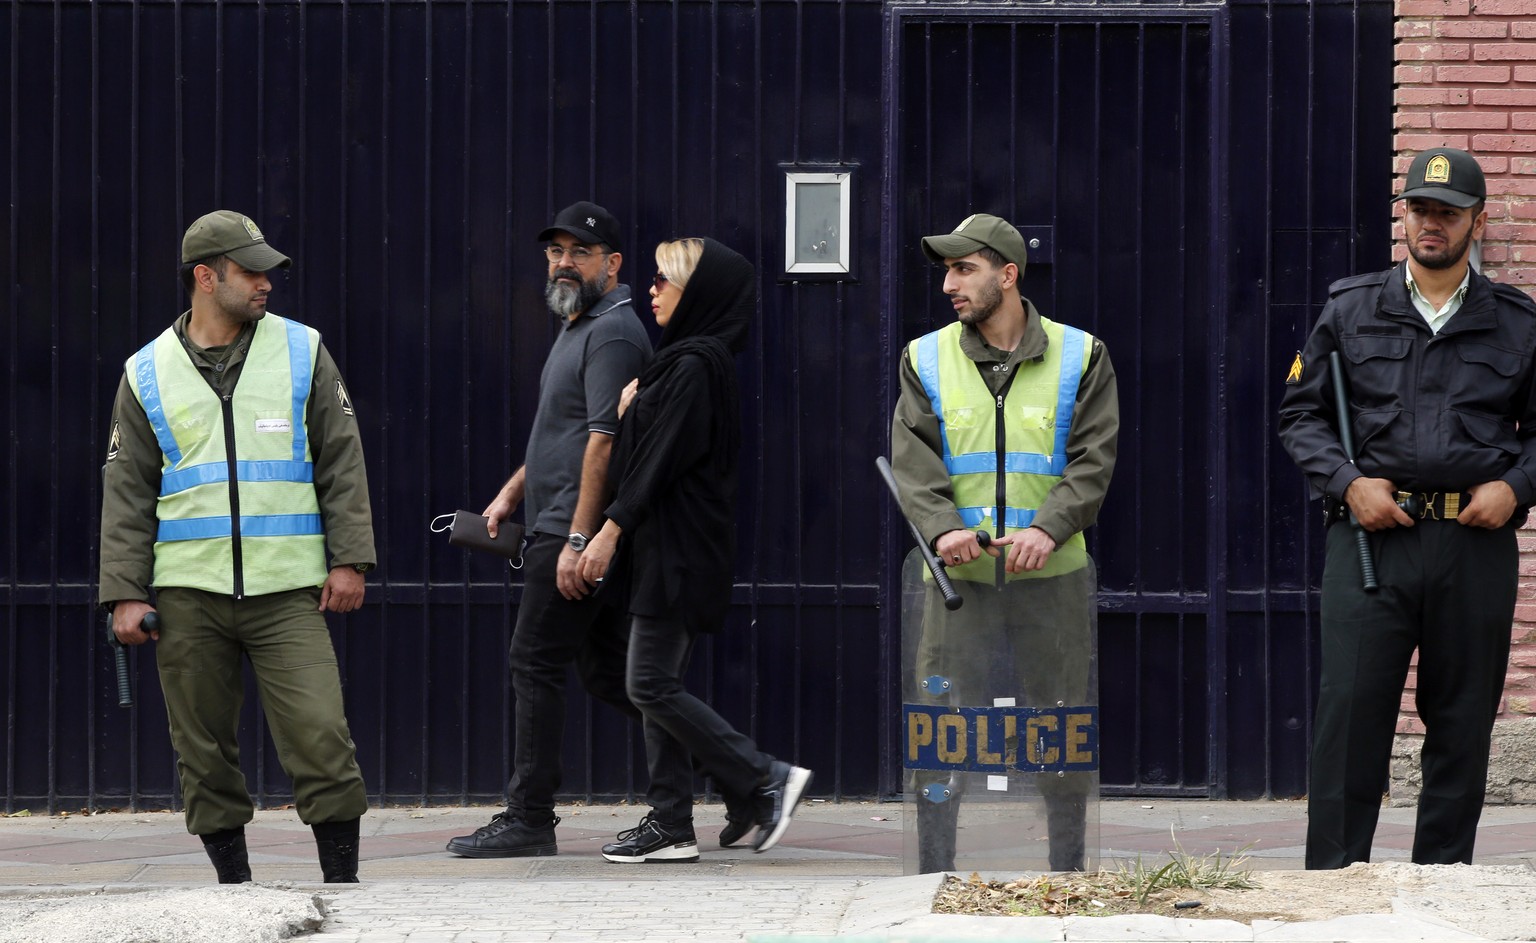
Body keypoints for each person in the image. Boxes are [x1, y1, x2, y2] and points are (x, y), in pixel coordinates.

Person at [98, 210, 376, 884]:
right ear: (205, 276)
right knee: (203, 752)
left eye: (267, 271)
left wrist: (350, 558)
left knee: (320, 735)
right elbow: (127, 490)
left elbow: (341, 458)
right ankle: (234, 889)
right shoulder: (147, 372)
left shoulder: (302, 350)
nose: (266, 283)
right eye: (251, 270)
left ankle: (343, 884)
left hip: (287, 591)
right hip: (188, 596)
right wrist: (126, 593)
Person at [1278, 147, 1536, 868]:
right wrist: (1346, 482)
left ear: (1475, 222)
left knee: (1461, 725)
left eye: (1448, 213)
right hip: (1371, 544)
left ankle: (1443, 884)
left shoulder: (1517, 322)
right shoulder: (1351, 308)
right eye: (1421, 208)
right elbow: (1301, 415)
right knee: (1350, 717)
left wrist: (1515, 487)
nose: (1432, 223)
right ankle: (1333, 888)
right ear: (1406, 214)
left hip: (1472, 544)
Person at [446, 202, 684, 858]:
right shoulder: (578, 325)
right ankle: (735, 771)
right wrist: (510, 490)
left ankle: (529, 815)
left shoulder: (611, 332)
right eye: (555, 251)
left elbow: (604, 443)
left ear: (612, 264)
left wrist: (580, 538)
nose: (562, 262)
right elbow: (565, 433)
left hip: (573, 529)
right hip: (558, 520)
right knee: (614, 674)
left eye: (579, 252)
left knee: (534, 660)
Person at [889, 213, 1118, 873]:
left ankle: (1067, 873)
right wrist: (942, 529)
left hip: (1054, 578)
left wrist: (1048, 528)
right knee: (942, 733)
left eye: (964, 269)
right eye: (946, 272)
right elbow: (914, 462)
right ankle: (932, 875)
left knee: (1060, 730)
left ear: (1008, 273)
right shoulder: (923, 358)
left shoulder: (1084, 355)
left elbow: (1092, 459)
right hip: (956, 586)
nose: (949, 286)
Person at [577, 237, 812, 863]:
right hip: (662, 548)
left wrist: (607, 531)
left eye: (664, 281)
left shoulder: (694, 365)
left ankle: (764, 777)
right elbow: (652, 453)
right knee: (642, 680)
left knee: (649, 683)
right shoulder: (680, 361)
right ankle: (675, 820)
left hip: (677, 550)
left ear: (699, 294)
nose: (652, 290)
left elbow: (656, 464)